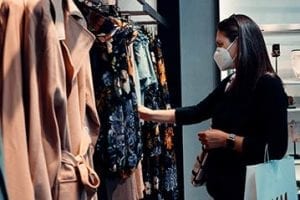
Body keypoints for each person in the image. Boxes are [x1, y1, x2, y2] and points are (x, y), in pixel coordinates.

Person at [138, 14, 288, 200]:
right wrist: (149, 114)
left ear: (239, 43)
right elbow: (197, 111)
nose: (217, 51)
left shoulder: (268, 85)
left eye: (220, 44)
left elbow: (276, 148)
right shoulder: (232, 81)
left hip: (252, 192)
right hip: (225, 190)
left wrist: (227, 140)